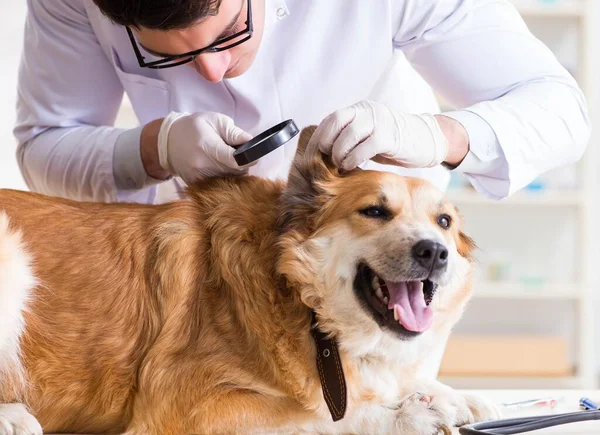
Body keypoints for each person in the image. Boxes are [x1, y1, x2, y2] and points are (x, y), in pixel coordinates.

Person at [15, 0, 590, 207]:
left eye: (228, 34)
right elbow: (44, 145)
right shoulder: (71, 1)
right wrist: (154, 147)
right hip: (204, 268)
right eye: (167, 58)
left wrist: (437, 136)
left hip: (373, 269)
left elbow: (563, 113)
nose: (212, 72)